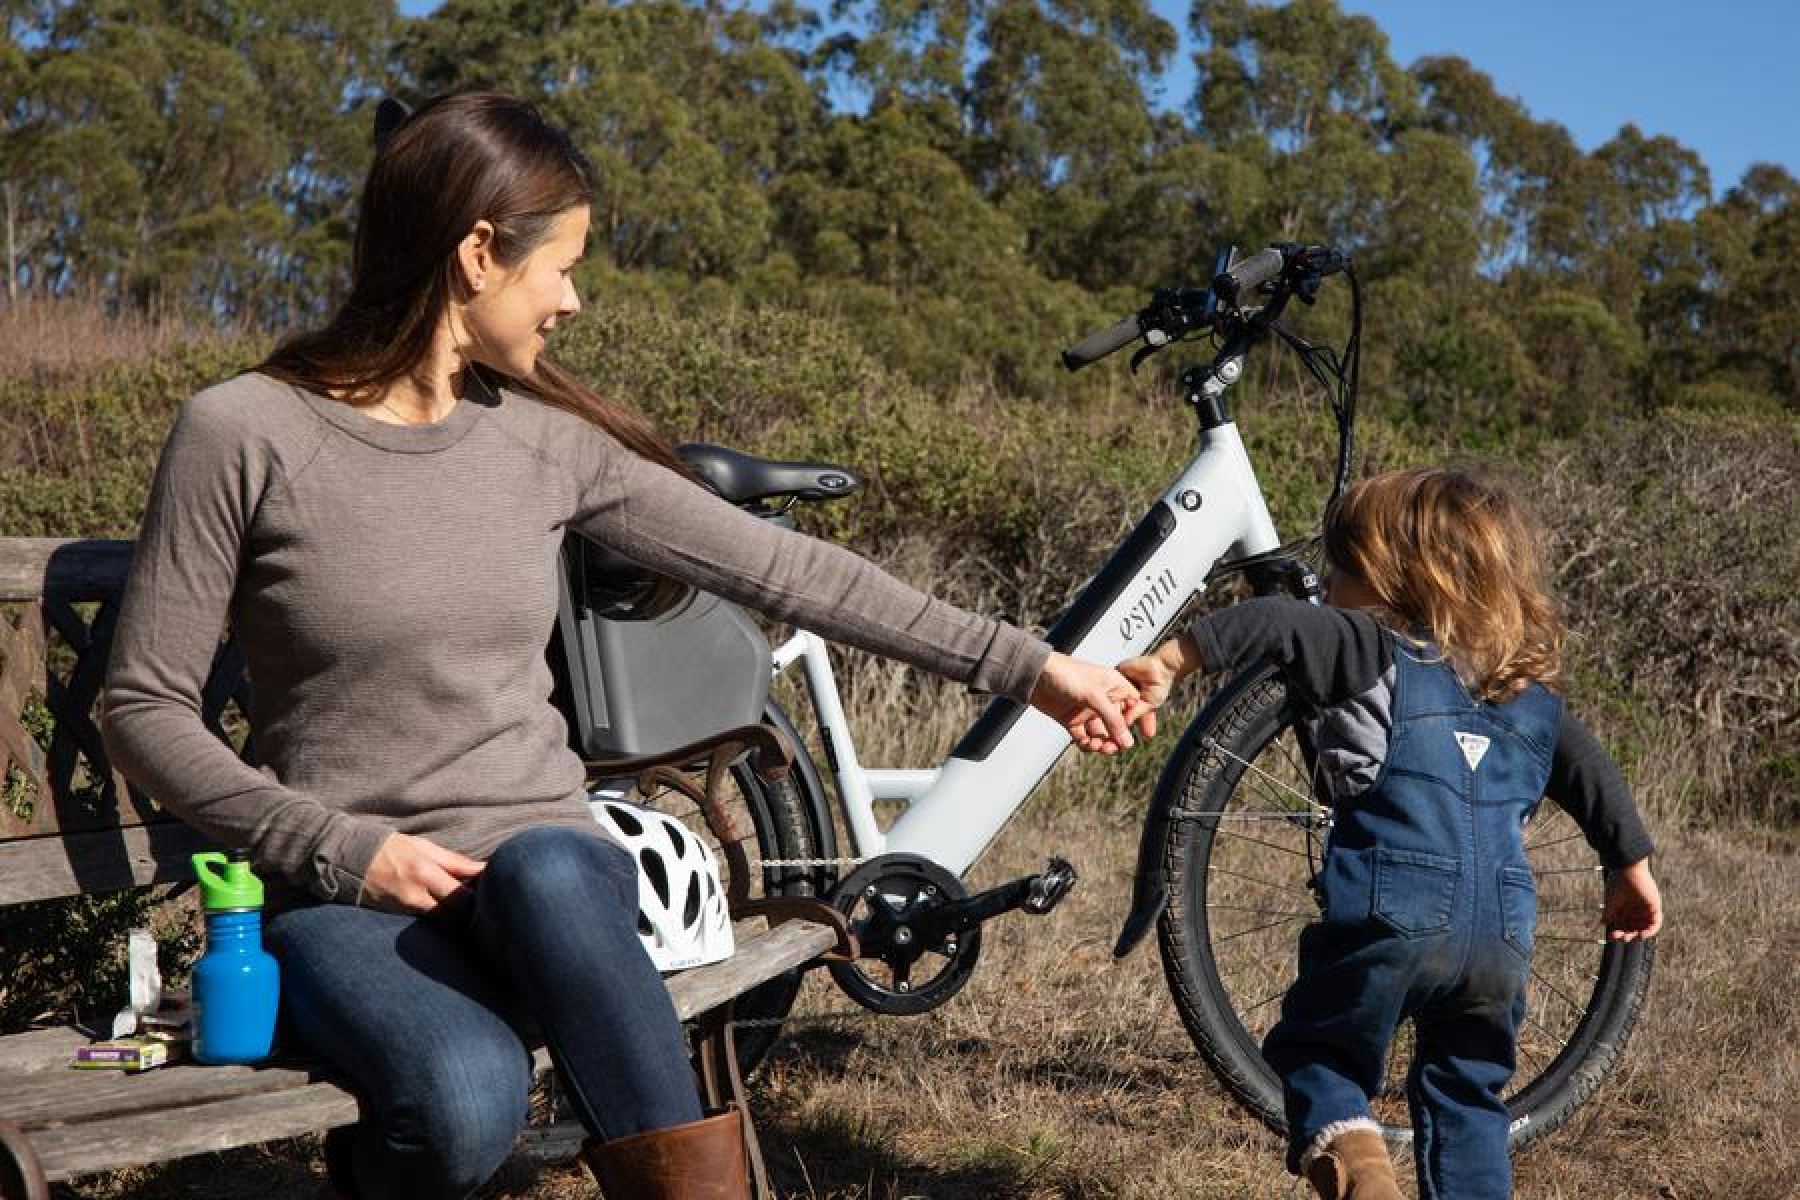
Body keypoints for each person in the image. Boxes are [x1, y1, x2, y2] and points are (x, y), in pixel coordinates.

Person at [100, 90, 1145, 1200]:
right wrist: (345, 848)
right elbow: (144, 706)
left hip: (550, 897)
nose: (574, 300)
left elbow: (786, 570)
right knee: (464, 1103)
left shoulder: (543, 444)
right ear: (477, 253)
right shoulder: (244, 431)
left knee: (553, 865)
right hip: (351, 902)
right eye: (561, 266)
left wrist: (1032, 666)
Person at [1073, 467, 1663, 1200]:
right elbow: (1592, 774)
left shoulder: (1368, 647)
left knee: (1319, 1053)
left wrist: (1172, 660)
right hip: (1504, 938)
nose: (1328, 583)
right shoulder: (1526, 694)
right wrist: (1629, 865)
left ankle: (1361, 1174)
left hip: (1396, 908)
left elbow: (1279, 625)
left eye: (1342, 567)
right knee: (1470, 1089)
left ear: (1394, 579)